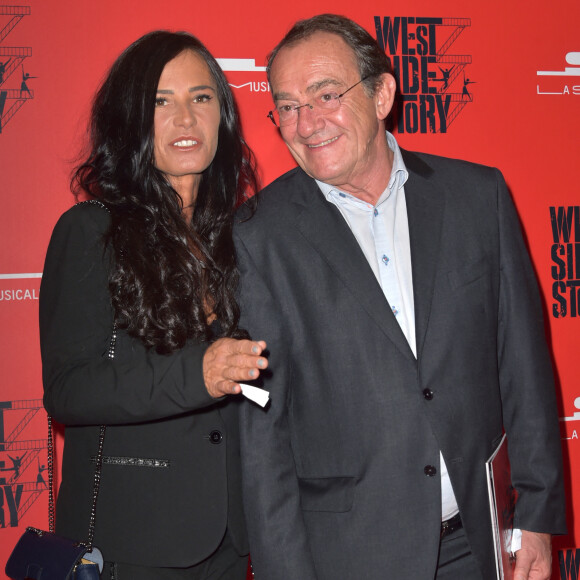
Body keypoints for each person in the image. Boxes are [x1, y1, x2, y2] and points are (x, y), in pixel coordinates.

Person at [235, 14, 566, 580]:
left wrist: (535, 517)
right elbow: (264, 437)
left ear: (383, 93)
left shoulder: (476, 198)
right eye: (286, 106)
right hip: (351, 556)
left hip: (481, 546)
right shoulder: (258, 236)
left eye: (326, 94)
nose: (305, 122)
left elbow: (524, 370)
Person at [40, 30, 267, 579]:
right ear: (131, 119)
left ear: (222, 115)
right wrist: (198, 375)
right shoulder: (92, 230)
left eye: (201, 97)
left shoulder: (243, 237)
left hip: (231, 541)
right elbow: (69, 389)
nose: (185, 119)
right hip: (133, 545)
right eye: (161, 101)